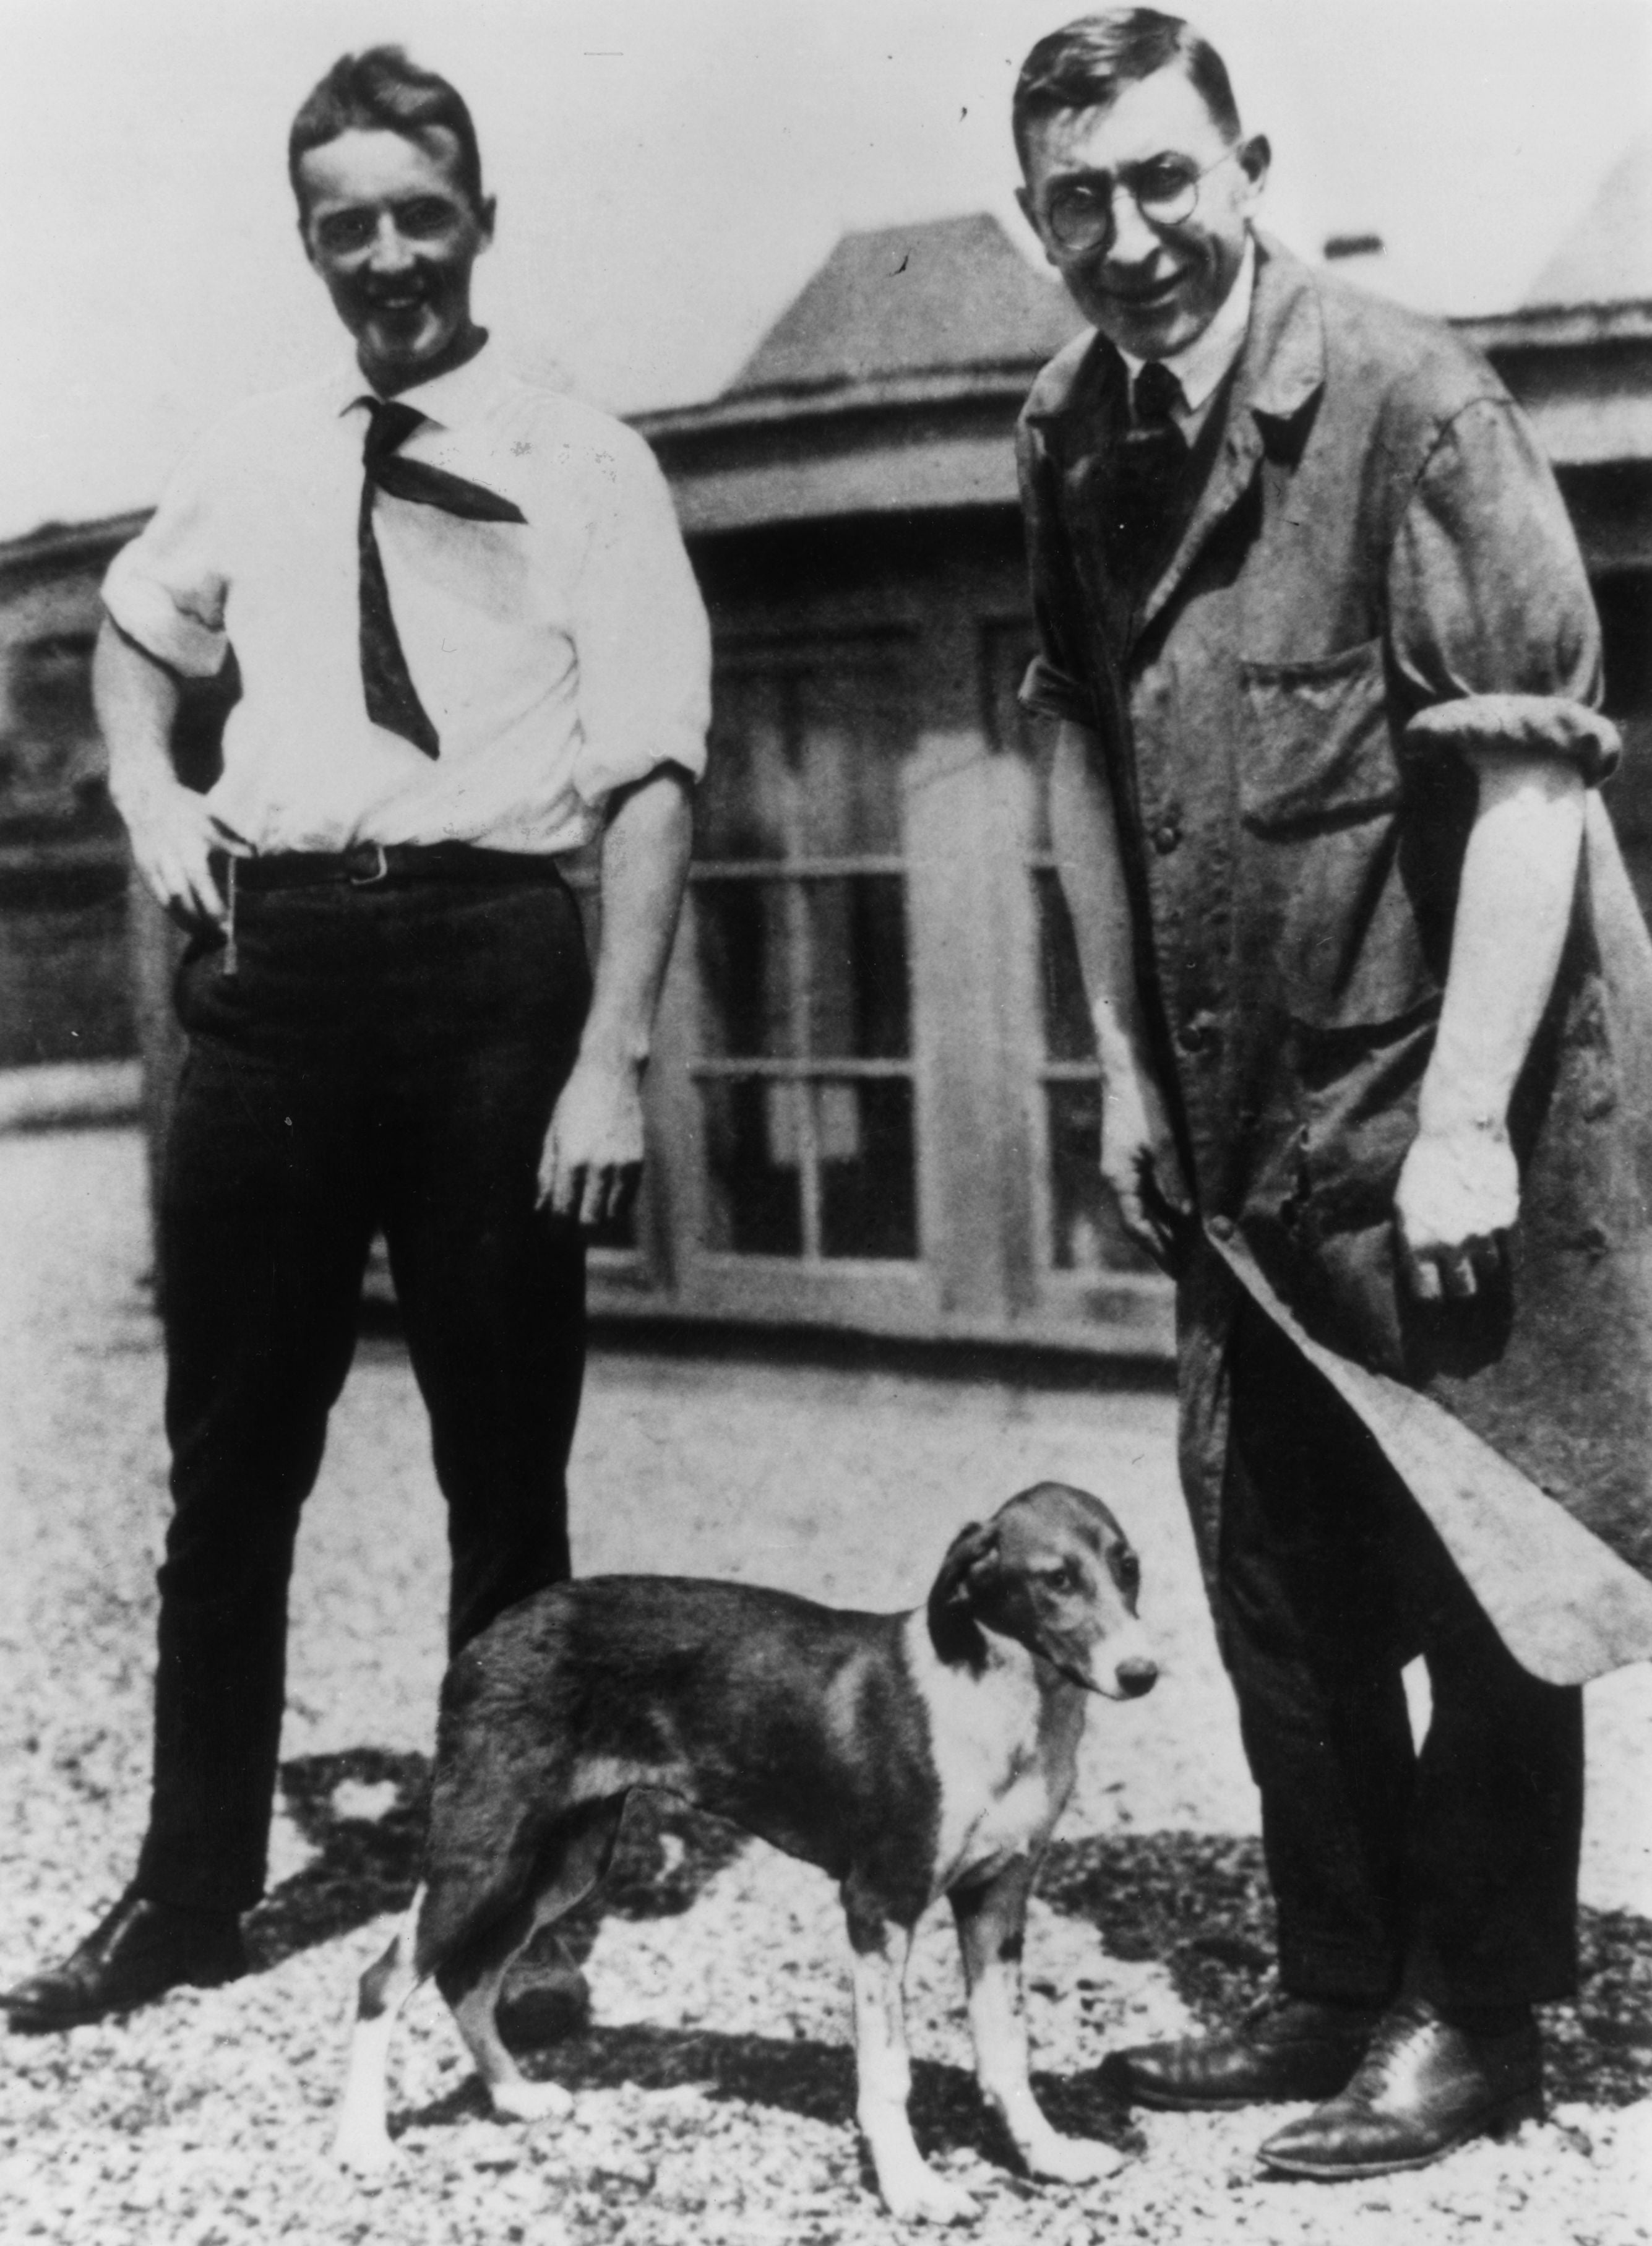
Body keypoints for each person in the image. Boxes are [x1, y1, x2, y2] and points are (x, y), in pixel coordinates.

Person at [2, 48, 709, 2032]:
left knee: (508, 1467)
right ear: (308, 240)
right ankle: (188, 1891)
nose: (387, 255)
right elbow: (138, 627)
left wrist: (609, 1054)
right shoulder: (260, 442)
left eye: (420, 214)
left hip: (493, 973)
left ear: (481, 216)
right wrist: (150, 795)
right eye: (347, 226)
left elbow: (653, 773)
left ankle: (507, 1914)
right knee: (230, 1468)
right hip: (276, 978)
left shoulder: (585, 458)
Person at [1010, 9, 1652, 2181]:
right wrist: (1114, 1062)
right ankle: (1328, 1971)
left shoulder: (1412, 402)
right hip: (1238, 1114)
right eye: (1080, 200)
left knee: (1483, 1565)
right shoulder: (1062, 436)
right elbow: (1082, 753)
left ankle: (1475, 2015)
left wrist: (1468, 1113)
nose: (1133, 236)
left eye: (1167, 181)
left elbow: (1533, 781)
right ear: (1036, 222)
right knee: (1272, 1557)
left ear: (1248, 159)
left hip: (1459, 1087)